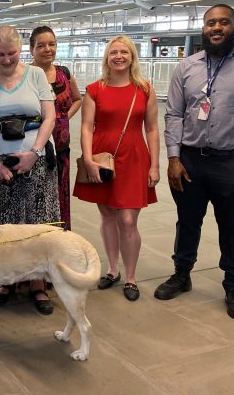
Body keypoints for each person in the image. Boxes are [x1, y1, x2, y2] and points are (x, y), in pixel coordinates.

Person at [157, 4, 234, 320]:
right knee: (187, 221)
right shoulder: (186, 67)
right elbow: (173, 114)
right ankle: (181, 274)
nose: (216, 28)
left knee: (231, 225)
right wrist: (173, 157)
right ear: (203, 28)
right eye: (211, 22)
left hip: (233, 162)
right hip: (190, 160)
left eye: (223, 22)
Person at [72, 35, 160, 302]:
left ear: (132, 57)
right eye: (113, 52)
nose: (119, 56)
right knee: (109, 217)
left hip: (134, 159)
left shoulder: (144, 89)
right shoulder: (94, 89)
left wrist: (154, 164)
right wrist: (87, 159)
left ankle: (131, 276)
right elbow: (87, 127)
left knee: (128, 220)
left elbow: (152, 128)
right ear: (106, 57)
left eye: (124, 52)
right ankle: (112, 269)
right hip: (102, 159)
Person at [0, 26, 60, 315]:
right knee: (3, 226)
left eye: (12, 54)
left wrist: (34, 153)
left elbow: (50, 116)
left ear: (21, 51)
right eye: (0, 54)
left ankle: (38, 284)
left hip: (35, 159)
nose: (6, 60)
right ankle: (7, 281)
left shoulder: (36, 75)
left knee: (37, 224)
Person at [29, 26, 82, 231]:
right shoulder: (26, 74)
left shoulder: (64, 73)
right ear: (32, 48)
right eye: (41, 45)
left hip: (61, 149)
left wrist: (63, 118)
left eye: (51, 44)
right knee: (38, 197)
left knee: (60, 195)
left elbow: (77, 99)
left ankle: (60, 237)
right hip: (36, 147)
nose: (47, 49)